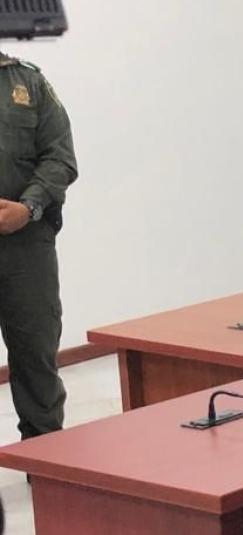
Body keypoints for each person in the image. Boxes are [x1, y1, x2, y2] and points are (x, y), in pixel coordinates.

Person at [0, 51, 77, 441]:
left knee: (36, 357)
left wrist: (28, 207)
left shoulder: (29, 84)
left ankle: (44, 460)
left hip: (25, 245)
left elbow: (60, 158)